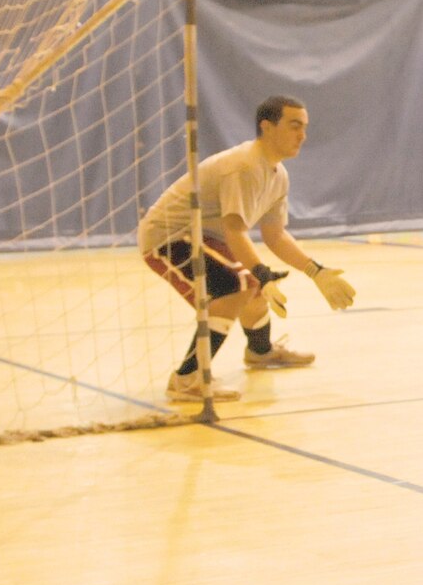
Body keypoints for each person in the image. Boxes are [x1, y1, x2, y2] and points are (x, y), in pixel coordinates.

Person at [137, 96, 356, 402]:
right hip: (170, 237)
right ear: (267, 127)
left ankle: (260, 352)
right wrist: (261, 274)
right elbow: (235, 231)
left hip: (205, 238)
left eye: (304, 128)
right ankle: (187, 379)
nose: (302, 136)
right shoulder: (244, 165)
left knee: (252, 289)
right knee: (238, 286)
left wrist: (315, 272)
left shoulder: (278, 175)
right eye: (294, 126)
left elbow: (275, 235)